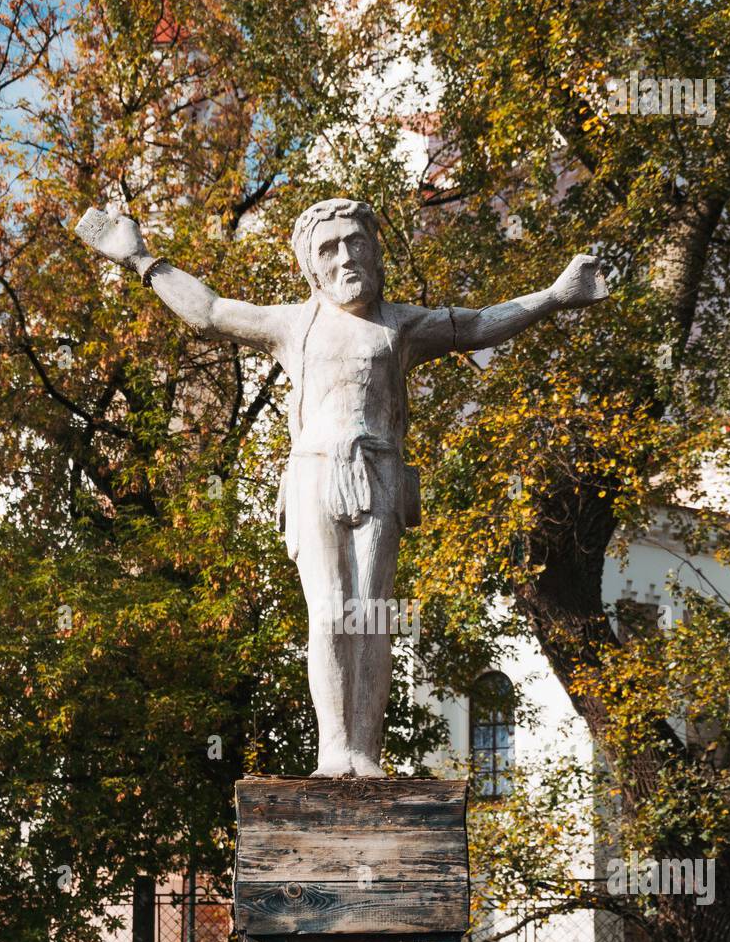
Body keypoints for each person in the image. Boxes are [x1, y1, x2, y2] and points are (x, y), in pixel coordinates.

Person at [76, 197, 608, 775]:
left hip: (378, 468)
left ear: (375, 251)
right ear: (310, 264)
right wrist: (141, 260)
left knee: (371, 614)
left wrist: (555, 295)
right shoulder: (290, 324)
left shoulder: (400, 324)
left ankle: (364, 754)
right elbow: (207, 311)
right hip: (312, 473)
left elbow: (478, 324)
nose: (345, 257)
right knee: (329, 613)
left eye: (356, 242)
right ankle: (335, 753)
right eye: (328, 249)